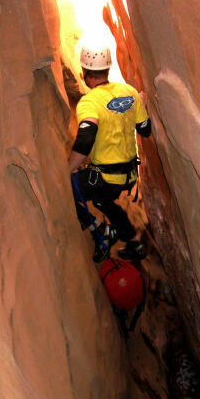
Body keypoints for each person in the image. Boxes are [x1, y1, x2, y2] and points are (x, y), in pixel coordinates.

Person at [68, 42, 151, 263]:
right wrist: (140, 105)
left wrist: (67, 168)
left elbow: (86, 138)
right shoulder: (130, 92)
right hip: (129, 176)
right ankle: (133, 243)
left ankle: (102, 231)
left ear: (84, 73)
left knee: (67, 189)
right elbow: (145, 129)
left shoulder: (89, 102)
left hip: (106, 177)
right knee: (103, 201)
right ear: (107, 69)